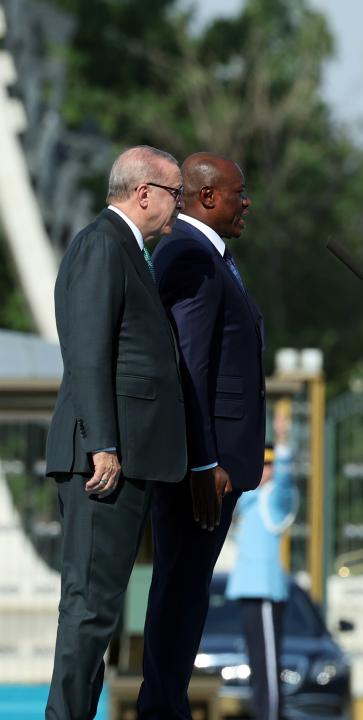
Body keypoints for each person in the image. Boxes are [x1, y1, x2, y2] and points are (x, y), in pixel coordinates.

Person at [44, 145, 188, 720]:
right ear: (144, 193)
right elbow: (87, 352)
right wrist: (103, 443)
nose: (180, 206)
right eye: (176, 193)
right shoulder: (101, 244)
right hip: (104, 461)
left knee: (99, 611)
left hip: (129, 457)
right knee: (88, 608)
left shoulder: (128, 249)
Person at [138, 152, 266, 717]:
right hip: (202, 469)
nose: (247, 203)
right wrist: (202, 461)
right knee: (179, 592)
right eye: (240, 193)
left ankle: (166, 705)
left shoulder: (211, 254)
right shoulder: (188, 252)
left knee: (187, 594)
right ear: (208, 196)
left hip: (214, 464)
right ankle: (162, 708)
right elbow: (189, 364)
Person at [226, 409, 299, 720]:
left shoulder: (275, 498)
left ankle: (269, 715)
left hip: (265, 590)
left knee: (268, 665)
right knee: (257, 662)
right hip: (248, 589)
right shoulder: (249, 498)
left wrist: (283, 441)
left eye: (268, 465)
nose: (263, 470)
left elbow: (284, 482)